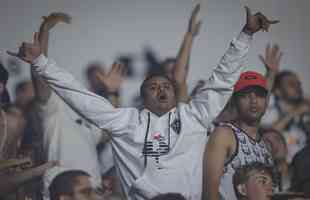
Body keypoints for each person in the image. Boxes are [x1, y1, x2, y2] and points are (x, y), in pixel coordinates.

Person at [8, 4, 278, 200]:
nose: (161, 90)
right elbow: (79, 96)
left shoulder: (195, 114)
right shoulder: (126, 121)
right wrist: (42, 62)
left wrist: (245, 35)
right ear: (143, 97)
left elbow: (223, 78)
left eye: (166, 86)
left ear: (174, 93)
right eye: (153, 87)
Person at [203, 70, 274, 200]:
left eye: (259, 95)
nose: (253, 101)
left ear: (266, 101)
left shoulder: (266, 146)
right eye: (245, 95)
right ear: (235, 101)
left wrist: (271, 74)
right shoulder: (224, 135)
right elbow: (209, 193)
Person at [262, 70, 310, 163]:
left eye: (298, 84)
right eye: (291, 84)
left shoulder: (304, 107)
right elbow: (269, 134)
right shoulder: (269, 107)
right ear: (278, 91)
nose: (298, 87)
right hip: (281, 167)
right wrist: (295, 112)